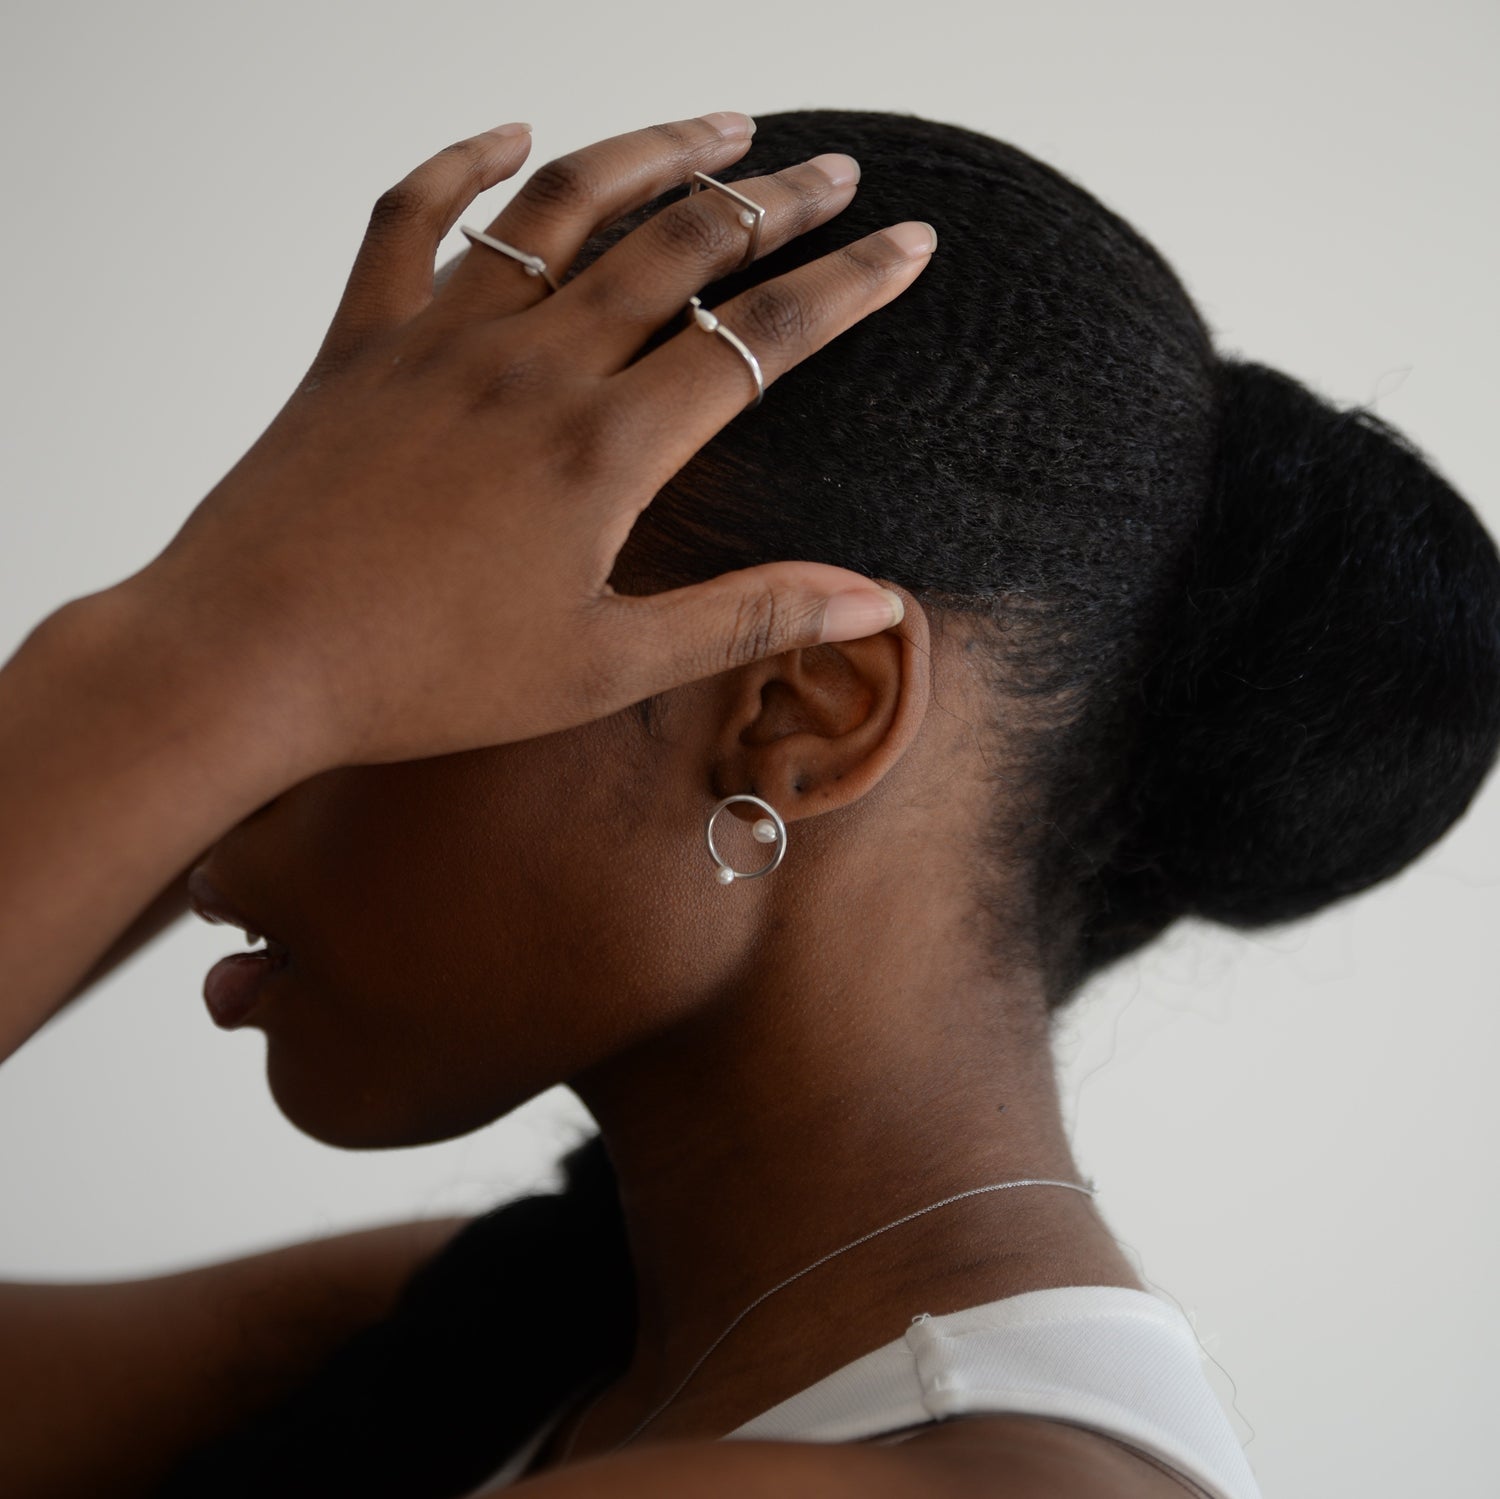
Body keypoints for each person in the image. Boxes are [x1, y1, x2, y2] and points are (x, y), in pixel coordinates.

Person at [1, 106, 1495, 1499]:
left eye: (365, 659)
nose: (205, 813)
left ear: (795, 715)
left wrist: (211, 666)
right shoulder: (528, 1331)